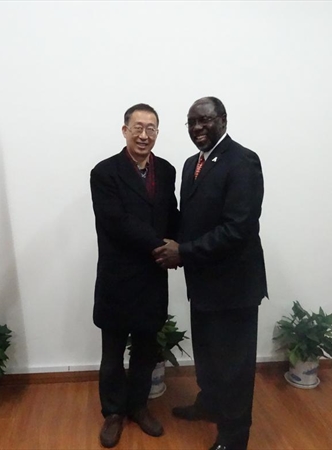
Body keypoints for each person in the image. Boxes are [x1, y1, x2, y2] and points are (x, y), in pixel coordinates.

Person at [153, 96, 268, 450]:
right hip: (203, 283)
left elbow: (238, 229)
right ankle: (210, 405)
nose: (197, 127)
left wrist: (183, 251)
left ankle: (234, 437)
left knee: (234, 366)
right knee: (207, 357)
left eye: (204, 120)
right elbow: (190, 220)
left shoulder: (243, 161)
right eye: (191, 122)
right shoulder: (193, 164)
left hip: (234, 288)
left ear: (223, 119)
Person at [90, 103, 179, 448]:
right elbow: (116, 222)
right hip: (118, 277)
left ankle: (139, 407)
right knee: (112, 354)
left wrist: (185, 245)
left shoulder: (166, 170)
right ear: (125, 130)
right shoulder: (104, 172)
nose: (144, 135)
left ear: (157, 132)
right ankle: (113, 412)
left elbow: (171, 214)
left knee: (145, 350)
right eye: (138, 127)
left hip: (152, 278)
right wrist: (163, 247)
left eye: (151, 128)